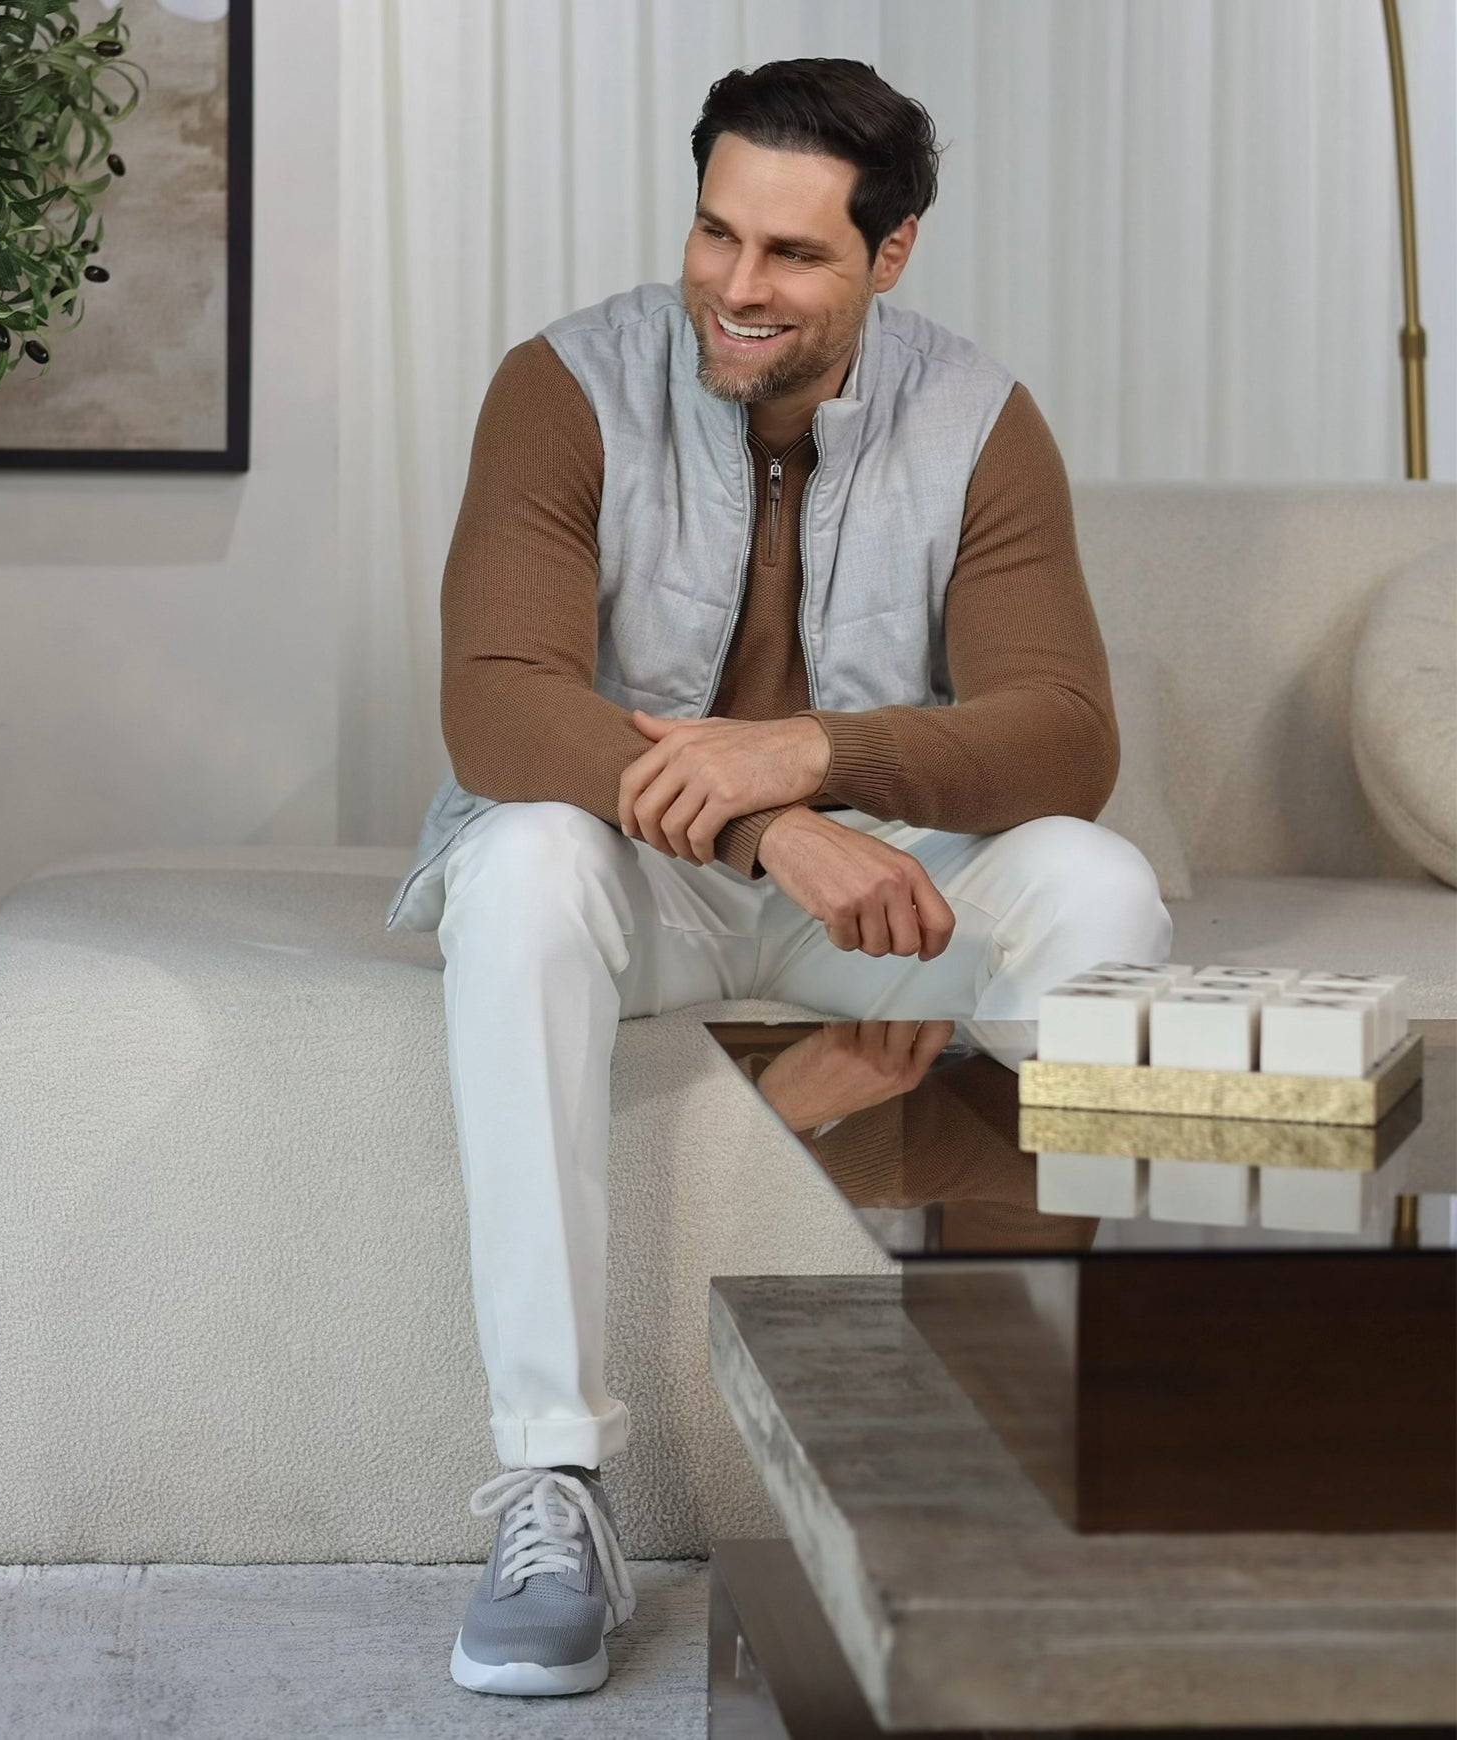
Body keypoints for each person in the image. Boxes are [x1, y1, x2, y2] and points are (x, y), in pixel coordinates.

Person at [382, 57, 1173, 1698]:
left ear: (890, 257)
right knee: (521, 859)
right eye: (715, 233)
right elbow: (498, 696)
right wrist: (757, 821)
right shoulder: (561, 385)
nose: (737, 287)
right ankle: (551, 1481)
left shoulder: (980, 420)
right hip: (633, 880)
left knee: (1098, 888)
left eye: (794, 255)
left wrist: (816, 763)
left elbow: (1064, 733)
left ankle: (998, 1454)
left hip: (870, 892)